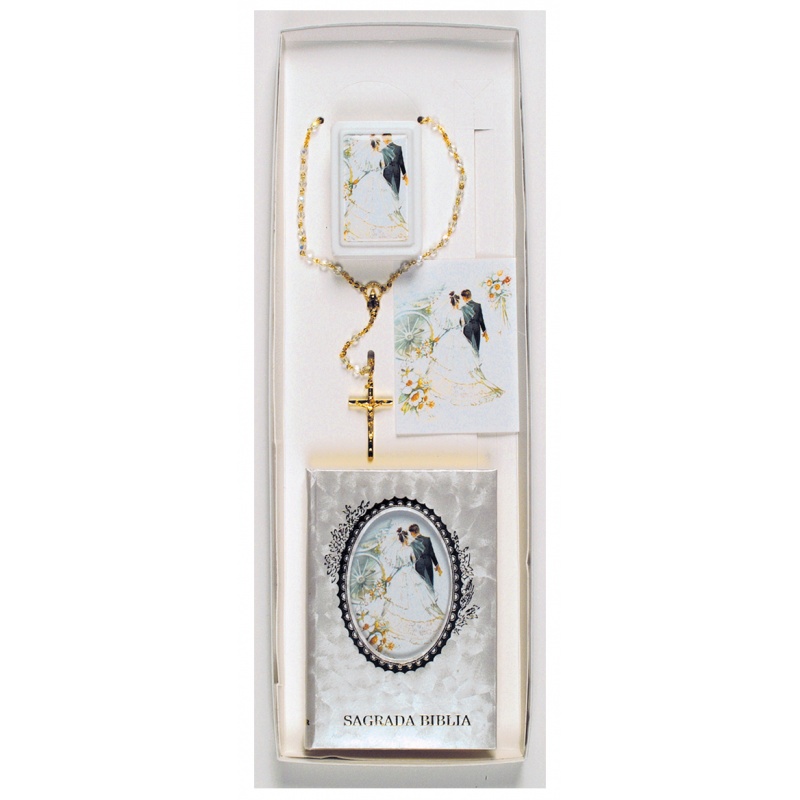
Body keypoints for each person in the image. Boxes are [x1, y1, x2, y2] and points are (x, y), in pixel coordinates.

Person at [345, 136, 406, 240]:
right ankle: (378, 223)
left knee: (365, 200)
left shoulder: (368, 156)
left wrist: (358, 179)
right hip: (378, 178)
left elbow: (366, 170)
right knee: (381, 200)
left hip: (368, 178)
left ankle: (366, 224)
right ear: (377, 145)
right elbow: (382, 166)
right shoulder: (380, 155)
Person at [460, 289, 489, 354]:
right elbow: (481, 319)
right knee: (476, 349)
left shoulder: (463, 308)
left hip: (467, 329)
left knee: (469, 349)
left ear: (465, 297)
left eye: (463, 298)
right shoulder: (478, 305)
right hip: (476, 328)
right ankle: (477, 359)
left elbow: (461, 321)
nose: (463, 299)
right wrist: (484, 331)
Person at [379, 133, 407, 198]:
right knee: (395, 192)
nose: (383, 140)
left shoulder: (383, 150)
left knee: (388, 193)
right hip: (396, 171)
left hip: (387, 172)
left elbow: (381, 164)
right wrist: (405, 174)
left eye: (383, 139)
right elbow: (401, 162)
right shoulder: (398, 148)